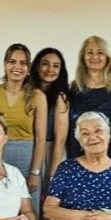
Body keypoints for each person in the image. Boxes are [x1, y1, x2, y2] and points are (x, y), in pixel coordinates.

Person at [52, 35, 111, 179]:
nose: (95, 57)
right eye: (90, 52)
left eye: (100, 52)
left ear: (107, 57)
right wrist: (55, 173)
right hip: (76, 165)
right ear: (83, 57)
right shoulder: (72, 90)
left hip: (108, 165)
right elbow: (61, 138)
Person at [0, 44, 48, 213]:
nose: (17, 67)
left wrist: (35, 172)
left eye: (23, 63)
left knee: (30, 212)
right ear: (5, 64)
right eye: (12, 61)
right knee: (0, 210)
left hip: (27, 159)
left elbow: (41, 138)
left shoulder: (38, 96)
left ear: (28, 68)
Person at [31, 47, 70, 192]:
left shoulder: (61, 97)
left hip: (51, 152)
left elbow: (60, 140)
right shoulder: (28, 92)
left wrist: (53, 173)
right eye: (45, 64)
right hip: (29, 148)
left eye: (56, 66)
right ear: (37, 66)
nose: (50, 69)